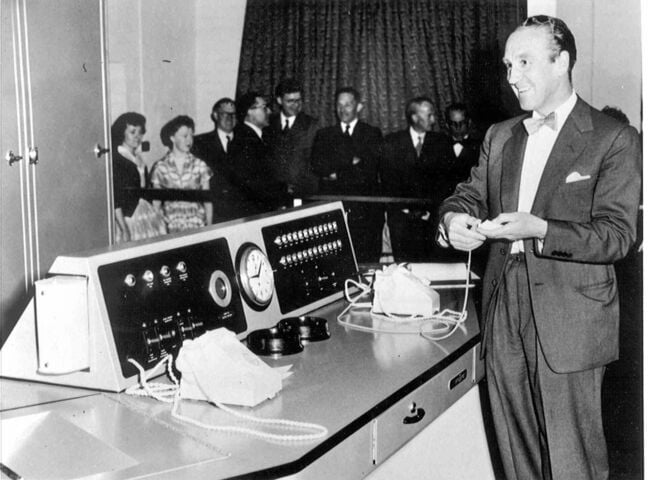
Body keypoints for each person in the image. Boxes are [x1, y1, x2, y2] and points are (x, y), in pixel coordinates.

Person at [437, 15, 641, 480]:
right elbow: (465, 196)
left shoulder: (614, 138)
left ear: (562, 62)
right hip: (501, 310)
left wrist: (540, 229)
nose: (512, 77)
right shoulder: (500, 135)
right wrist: (453, 221)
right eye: (509, 65)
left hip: (569, 320)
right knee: (516, 457)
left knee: (572, 464)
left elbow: (617, 235)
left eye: (524, 62)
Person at [311, 87, 383, 263]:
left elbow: (370, 171)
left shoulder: (372, 133)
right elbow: (319, 167)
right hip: (334, 210)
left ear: (358, 107)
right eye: (339, 105)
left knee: (367, 262)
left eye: (348, 104)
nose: (343, 110)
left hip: (366, 214)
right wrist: (352, 161)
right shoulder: (324, 135)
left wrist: (337, 172)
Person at [381, 96, 453, 261]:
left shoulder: (442, 143)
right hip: (402, 220)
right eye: (429, 115)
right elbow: (388, 182)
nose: (434, 120)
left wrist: (428, 210)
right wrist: (409, 210)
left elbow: (446, 182)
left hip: (431, 220)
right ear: (414, 117)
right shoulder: (392, 142)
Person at [192, 97, 256, 222]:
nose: (230, 118)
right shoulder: (200, 143)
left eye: (233, 114)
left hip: (243, 213)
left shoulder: (248, 142)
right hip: (216, 213)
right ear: (215, 116)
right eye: (225, 114)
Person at [228, 92, 292, 216]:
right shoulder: (242, 141)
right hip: (253, 212)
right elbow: (253, 183)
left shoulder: (261, 137)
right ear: (249, 111)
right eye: (264, 107)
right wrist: (282, 190)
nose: (269, 111)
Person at [150, 115, 213, 233]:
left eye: (191, 136)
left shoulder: (200, 166)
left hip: (197, 225)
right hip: (170, 226)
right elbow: (156, 204)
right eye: (184, 136)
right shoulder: (160, 167)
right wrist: (157, 230)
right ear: (172, 138)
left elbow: (207, 201)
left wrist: (209, 229)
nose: (189, 140)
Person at [111, 112, 166, 242]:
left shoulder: (138, 159)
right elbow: (115, 197)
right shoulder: (117, 159)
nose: (138, 137)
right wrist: (124, 228)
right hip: (126, 218)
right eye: (132, 132)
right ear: (121, 133)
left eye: (140, 132)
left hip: (144, 211)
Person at [265, 78, 319, 196]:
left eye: (298, 100)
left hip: (300, 192)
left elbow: (314, 163)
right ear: (279, 100)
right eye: (290, 101)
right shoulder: (268, 124)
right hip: (273, 193)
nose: (296, 105)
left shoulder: (311, 125)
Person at [443, 102, 482, 192]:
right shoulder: (439, 147)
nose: (458, 127)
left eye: (462, 123)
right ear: (447, 125)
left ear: (469, 122)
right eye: (454, 124)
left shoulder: (479, 147)